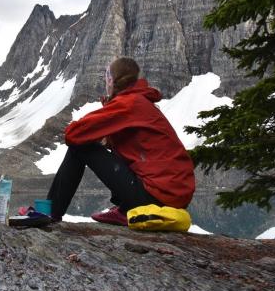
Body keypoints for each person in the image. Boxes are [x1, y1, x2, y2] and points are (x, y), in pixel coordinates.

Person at [46, 57, 195, 225]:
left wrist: (94, 134)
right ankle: (125, 209)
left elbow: (73, 134)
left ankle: (50, 213)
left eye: (106, 77)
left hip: (155, 196)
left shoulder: (129, 103)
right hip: (170, 196)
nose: (105, 82)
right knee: (89, 145)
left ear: (111, 79)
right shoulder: (139, 101)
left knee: (79, 147)